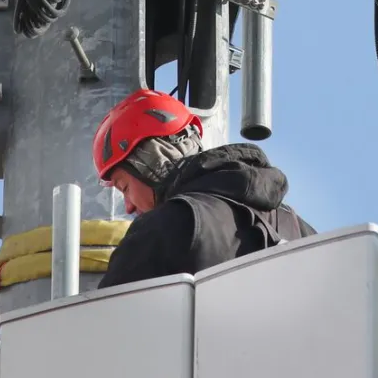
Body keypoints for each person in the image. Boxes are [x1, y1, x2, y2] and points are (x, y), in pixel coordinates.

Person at [92, 89, 316, 289]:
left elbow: (107, 325)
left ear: (152, 162)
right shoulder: (302, 231)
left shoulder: (165, 226)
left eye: (125, 187)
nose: (129, 206)